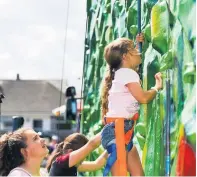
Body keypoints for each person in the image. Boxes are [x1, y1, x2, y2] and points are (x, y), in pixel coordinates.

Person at [100, 34, 163, 176]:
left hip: (122, 132)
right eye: (134, 50)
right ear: (125, 56)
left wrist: (136, 43)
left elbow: (132, 60)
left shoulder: (123, 73)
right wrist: (156, 87)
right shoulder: (127, 73)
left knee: (138, 174)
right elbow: (143, 98)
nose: (139, 52)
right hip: (118, 133)